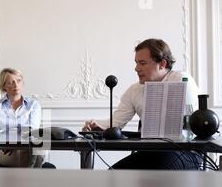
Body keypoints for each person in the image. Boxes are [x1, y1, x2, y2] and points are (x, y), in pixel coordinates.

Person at [83, 38, 201, 169]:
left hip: (185, 152)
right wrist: (98, 127)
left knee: (155, 177)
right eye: (136, 63)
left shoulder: (182, 81)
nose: (136, 68)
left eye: (142, 63)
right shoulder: (135, 90)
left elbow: (194, 126)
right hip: (151, 152)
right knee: (112, 176)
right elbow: (116, 123)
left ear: (162, 64)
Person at [0, 68, 43, 167]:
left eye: (18, 81)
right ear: (4, 86)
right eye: (10, 82)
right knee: (36, 155)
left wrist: (11, 139)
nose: (16, 85)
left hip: (28, 147)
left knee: (36, 149)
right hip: (5, 151)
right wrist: (7, 142)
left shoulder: (33, 105)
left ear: (22, 83)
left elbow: (33, 130)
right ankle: (31, 178)